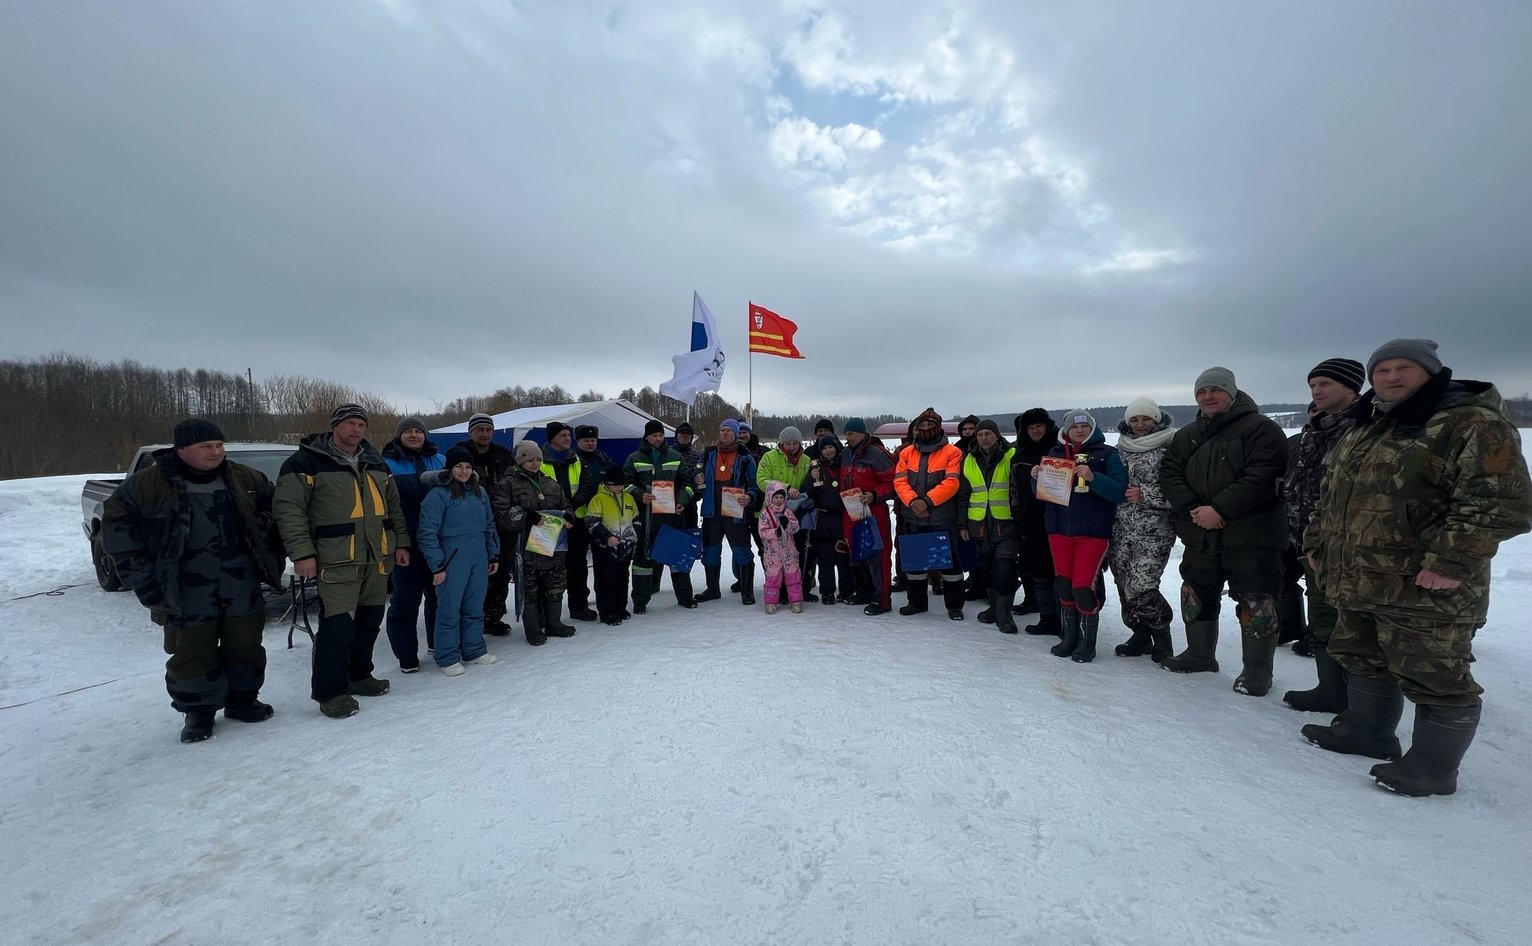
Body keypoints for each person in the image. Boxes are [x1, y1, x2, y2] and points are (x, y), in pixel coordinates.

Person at [1301, 340, 1531, 796]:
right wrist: (1317, 543)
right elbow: (1333, 495)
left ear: (1431, 371)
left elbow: (1500, 502)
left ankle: (1432, 768)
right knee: (1364, 656)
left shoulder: (1472, 423)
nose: (1391, 377)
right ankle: (1367, 733)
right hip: (1360, 577)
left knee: (1436, 675)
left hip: (1426, 584)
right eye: (1382, 369)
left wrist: (1451, 560)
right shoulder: (1369, 425)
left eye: (1403, 367)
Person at [102, 418, 286, 742]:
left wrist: (270, 549)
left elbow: (277, 516)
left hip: (238, 577)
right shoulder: (147, 485)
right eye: (205, 446)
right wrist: (143, 581)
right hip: (184, 584)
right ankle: (198, 712)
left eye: (218, 445)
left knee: (245, 643)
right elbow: (119, 535)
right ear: (182, 449)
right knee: (192, 649)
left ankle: (243, 700)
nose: (215, 452)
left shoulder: (246, 478)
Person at [274, 404, 410, 719]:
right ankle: (330, 691)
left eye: (361, 424)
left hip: (377, 557)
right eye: (350, 423)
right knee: (337, 628)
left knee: (369, 623)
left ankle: (360, 675)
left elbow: (394, 508)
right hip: (336, 559)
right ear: (335, 426)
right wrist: (302, 553)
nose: (357, 430)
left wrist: (401, 543)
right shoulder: (305, 462)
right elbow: (289, 511)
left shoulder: (376, 462)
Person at [1158, 368, 1289, 696]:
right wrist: (1193, 508)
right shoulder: (1188, 434)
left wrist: (1220, 509)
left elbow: (1263, 475)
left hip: (1251, 535)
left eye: (1215, 390)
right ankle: (1200, 654)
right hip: (1201, 533)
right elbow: (1170, 472)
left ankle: (1257, 671)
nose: (1207, 397)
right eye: (1202, 392)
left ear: (1232, 393)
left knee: (1256, 599)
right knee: (1196, 592)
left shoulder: (1261, 429)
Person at [1279, 360, 1364, 712]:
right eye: (1313, 384)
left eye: (1326, 383)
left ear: (1352, 388)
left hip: (1355, 549)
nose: (1317, 390)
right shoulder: (1315, 432)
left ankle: (1363, 709)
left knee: (1357, 627)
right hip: (1310, 544)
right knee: (1325, 618)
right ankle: (1331, 691)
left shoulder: (1367, 429)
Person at [1032, 410, 1126, 661]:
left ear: (1093, 428)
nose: (1080, 431)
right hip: (1059, 530)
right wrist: (1036, 479)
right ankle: (1069, 637)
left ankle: (1087, 643)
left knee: (1083, 588)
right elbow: (1044, 494)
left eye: (1085, 427)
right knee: (1063, 585)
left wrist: (1093, 477)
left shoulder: (1108, 454)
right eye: (1075, 427)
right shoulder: (1054, 454)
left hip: (1092, 532)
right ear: (1066, 431)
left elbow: (1118, 492)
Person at [416, 446, 500, 676]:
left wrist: (493, 554)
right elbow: (427, 533)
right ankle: (447, 656)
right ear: (449, 468)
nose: (464, 471)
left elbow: (489, 525)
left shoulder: (479, 492)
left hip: (478, 555)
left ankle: (473, 649)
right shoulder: (438, 495)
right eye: (458, 467)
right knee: (450, 609)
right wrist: (437, 564)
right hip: (452, 558)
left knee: (474, 605)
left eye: (468, 467)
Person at [1108, 398, 1179, 662]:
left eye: (1146, 419)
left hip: (1154, 530)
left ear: (1157, 420)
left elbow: (1182, 490)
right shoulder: (1119, 449)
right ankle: (1139, 634)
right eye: (1134, 420)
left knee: (1141, 585)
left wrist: (1147, 494)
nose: (1139, 425)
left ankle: (1162, 635)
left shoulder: (1171, 446)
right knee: (1123, 584)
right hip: (1121, 528)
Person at [492, 440, 577, 645]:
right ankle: (533, 628)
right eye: (530, 459)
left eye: (538, 459)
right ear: (520, 460)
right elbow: (500, 515)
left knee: (555, 583)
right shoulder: (507, 483)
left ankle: (554, 623)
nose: (534, 463)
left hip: (552, 546)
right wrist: (525, 518)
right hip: (524, 548)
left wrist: (569, 517)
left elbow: (565, 504)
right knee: (529, 587)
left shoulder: (550, 483)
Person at [381, 416, 446, 672]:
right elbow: (385, 509)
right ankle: (406, 655)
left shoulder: (439, 460)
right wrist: (398, 544)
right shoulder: (386, 463)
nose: (414, 435)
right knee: (405, 600)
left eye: (419, 431)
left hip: (437, 542)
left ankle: (437, 643)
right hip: (405, 543)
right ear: (399, 436)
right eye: (408, 431)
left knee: (438, 596)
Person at [894, 408, 967, 620]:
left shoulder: (952, 453)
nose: (925, 429)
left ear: (938, 427)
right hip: (913, 516)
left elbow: (952, 482)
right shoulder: (906, 453)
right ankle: (916, 603)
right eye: (922, 426)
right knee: (916, 563)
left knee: (950, 565)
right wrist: (913, 502)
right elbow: (899, 481)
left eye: (930, 425)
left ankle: (955, 606)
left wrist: (926, 501)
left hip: (942, 518)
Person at [622, 420, 696, 612]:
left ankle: (685, 597)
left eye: (661, 435)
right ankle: (640, 601)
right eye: (654, 435)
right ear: (646, 437)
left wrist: (682, 501)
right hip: (645, 518)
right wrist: (640, 495)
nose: (658, 438)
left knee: (677, 558)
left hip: (672, 516)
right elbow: (626, 484)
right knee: (643, 562)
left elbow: (688, 483)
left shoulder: (675, 456)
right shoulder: (634, 458)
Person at [456, 412, 517, 636]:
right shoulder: (460, 454)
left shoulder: (503, 455)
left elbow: (515, 485)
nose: (484, 434)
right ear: (471, 431)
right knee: (472, 572)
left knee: (501, 571)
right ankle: (471, 616)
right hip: (470, 523)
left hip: (502, 523)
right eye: (480, 430)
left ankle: (493, 616)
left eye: (488, 430)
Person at [959, 420, 1020, 633]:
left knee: (1004, 569)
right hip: (979, 525)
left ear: (997, 435)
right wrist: (962, 525)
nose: (984, 438)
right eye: (980, 435)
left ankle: (1004, 616)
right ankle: (993, 609)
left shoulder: (1012, 455)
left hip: (1006, 525)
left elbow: (1019, 488)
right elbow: (964, 495)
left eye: (988, 434)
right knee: (985, 570)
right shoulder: (969, 459)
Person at [695, 419, 761, 605]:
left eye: (728, 431)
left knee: (742, 551)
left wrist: (749, 497)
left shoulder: (745, 456)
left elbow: (754, 485)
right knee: (711, 551)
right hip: (712, 510)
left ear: (735, 433)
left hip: (735, 511)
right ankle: (712, 589)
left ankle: (747, 591)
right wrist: (697, 479)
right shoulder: (708, 453)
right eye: (722, 430)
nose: (724, 433)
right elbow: (697, 475)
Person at [542, 422, 600, 622]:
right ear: (552, 438)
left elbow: (587, 484)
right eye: (563, 435)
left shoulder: (577, 460)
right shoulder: (539, 460)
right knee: (547, 569)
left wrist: (575, 503)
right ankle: (545, 613)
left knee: (577, 566)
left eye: (568, 435)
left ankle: (579, 606)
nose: (567, 439)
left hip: (576, 520)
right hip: (548, 522)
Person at [841, 417, 897, 615]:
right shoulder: (845, 453)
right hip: (851, 512)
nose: (848, 438)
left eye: (851, 434)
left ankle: (882, 600)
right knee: (857, 553)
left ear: (863, 433)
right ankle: (865, 591)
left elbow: (893, 483)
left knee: (878, 556)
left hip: (874, 512)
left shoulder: (877, 453)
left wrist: (874, 495)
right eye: (846, 434)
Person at [1011, 409, 1060, 633]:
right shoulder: (1019, 456)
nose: (1036, 431)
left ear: (1048, 426)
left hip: (1056, 520)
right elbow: (1014, 490)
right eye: (1031, 428)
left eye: (1039, 426)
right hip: (1029, 521)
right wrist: (1017, 515)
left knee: (1058, 572)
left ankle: (1063, 618)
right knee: (1039, 573)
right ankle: (1047, 617)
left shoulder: (1059, 452)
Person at [757, 425, 818, 601]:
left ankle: (801, 590)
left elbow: (810, 485)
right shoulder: (769, 457)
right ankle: (778, 590)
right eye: (788, 443)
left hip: (798, 515)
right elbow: (762, 480)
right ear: (781, 443)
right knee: (774, 555)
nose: (791, 447)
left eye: (795, 443)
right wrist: (785, 488)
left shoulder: (807, 460)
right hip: (773, 515)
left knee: (799, 553)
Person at [584, 466, 639, 625]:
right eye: (614, 485)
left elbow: (636, 517)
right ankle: (607, 612)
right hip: (605, 549)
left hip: (625, 548)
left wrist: (637, 533)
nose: (618, 488)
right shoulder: (598, 499)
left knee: (623, 579)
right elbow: (591, 521)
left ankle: (620, 607)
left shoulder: (628, 498)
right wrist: (606, 537)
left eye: (621, 485)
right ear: (607, 483)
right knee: (606, 581)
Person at [806, 434, 853, 605]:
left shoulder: (846, 465)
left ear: (837, 447)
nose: (828, 451)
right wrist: (812, 479)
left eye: (830, 447)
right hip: (823, 517)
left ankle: (847, 591)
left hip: (842, 515)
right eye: (824, 448)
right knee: (825, 557)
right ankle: (827, 592)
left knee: (843, 555)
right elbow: (807, 491)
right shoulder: (816, 467)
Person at [758, 481, 805, 613]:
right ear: (769, 497)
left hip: (789, 551)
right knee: (773, 578)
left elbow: (796, 527)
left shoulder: (788, 511)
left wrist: (787, 525)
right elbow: (762, 532)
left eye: (781, 497)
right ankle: (771, 602)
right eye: (776, 497)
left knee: (793, 576)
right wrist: (775, 532)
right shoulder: (765, 514)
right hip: (772, 553)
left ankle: (796, 601)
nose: (779, 500)